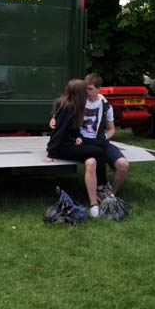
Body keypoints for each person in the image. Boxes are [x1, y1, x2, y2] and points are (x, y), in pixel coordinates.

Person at [46, 79, 106, 217]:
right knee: (100, 151)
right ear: (79, 92)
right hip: (63, 148)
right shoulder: (67, 107)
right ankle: (100, 187)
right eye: (85, 90)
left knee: (101, 146)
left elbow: (73, 127)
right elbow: (58, 131)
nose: (87, 92)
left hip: (71, 143)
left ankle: (100, 188)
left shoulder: (73, 105)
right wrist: (52, 153)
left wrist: (78, 135)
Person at [81, 73, 130, 197]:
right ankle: (99, 192)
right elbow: (62, 106)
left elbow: (111, 129)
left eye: (90, 89)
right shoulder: (78, 102)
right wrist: (54, 118)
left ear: (99, 89)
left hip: (100, 141)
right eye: (85, 88)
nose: (87, 91)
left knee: (123, 165)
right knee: (94, 161)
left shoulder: (106, 106)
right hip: (82, 142)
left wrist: (104, 137)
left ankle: (109, 195)